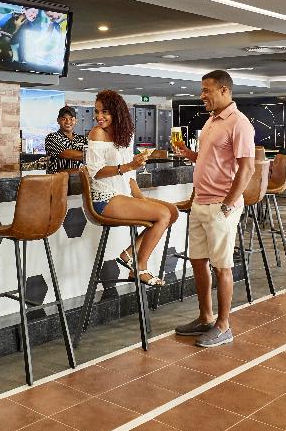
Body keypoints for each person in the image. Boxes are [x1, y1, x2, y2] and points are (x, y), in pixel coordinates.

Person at [172, 70, 254, 347]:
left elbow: (247, 169)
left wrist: (228, 205)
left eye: (207, 90)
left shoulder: (239, 123)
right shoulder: (210, 121)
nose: (202, 95)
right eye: (202, 90)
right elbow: (211, 160)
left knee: (222, 267)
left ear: (224, 91)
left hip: (221, 205)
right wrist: (190, 155)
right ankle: (206, 317)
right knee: (198, 261)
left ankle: (223, 325)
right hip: (200, 202)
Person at [85, 90, 177, 287]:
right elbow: (95, 172)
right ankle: (140, 267)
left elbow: (130, 177)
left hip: (123, 196)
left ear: (117, 112)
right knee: (162, 214)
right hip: (104, 199)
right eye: (97, 111)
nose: (99, 116)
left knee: (172, 212)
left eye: (105, 112)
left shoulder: (126, 135)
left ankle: (129, 253)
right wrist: (129, 166)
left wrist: (141, 199)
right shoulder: (97, 133)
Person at [44, 106, 87, 173]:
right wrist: (90, 154)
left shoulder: (83, 139)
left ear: (76, 121)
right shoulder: (52, 137)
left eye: (71, 119)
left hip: (80, 178)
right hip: (58, 179)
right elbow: (67, 154)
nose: (68, 122)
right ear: (58, 120)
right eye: (64, 119)